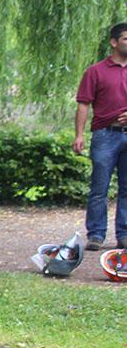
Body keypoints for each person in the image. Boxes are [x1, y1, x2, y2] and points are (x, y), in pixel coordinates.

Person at [72, 22, 127, 251]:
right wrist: (79, 135)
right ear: (114, 42)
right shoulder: (95, 71)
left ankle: (124, 234)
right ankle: (95, 235)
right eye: (126, 38)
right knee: (99, 188)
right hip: (104, 135)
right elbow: (84, 104)